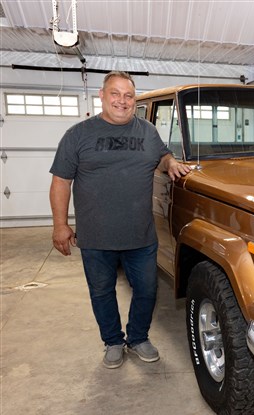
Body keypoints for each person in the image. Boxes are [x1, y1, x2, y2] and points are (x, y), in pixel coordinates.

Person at [49, 71, 190, 369]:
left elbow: (162, 156)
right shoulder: (78, 135)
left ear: (134, 99)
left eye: (128, 95)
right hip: (96, 237)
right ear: (101, 95)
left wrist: (171, 162)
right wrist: (60, 226)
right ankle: (113, 341)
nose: (122, 101)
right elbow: (61, 181)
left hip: (140, 236)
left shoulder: (147, 132)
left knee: (147, 290)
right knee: (102, 292)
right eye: (115, 93)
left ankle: (138, 338)